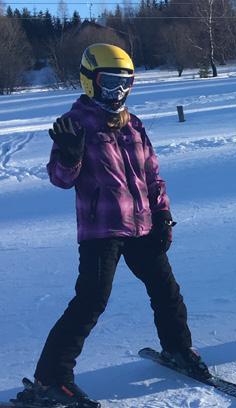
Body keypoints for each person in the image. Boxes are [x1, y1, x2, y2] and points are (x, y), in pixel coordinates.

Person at [13, 43, 208, 408]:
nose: (117, 92)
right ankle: (51, 378)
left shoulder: (133, 123)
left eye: (124, 83)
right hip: (102, 231)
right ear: (90, 82)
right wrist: (70, 155)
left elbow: (152, 174)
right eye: (108, 83)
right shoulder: (76, 124)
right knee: (90, 301)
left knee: (166, 290)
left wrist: (162, 213)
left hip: (143, 226)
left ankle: (179, 349)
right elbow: (59, 177)